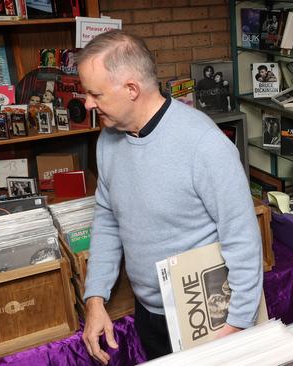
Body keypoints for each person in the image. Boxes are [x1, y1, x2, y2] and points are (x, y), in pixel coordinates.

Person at [76, 30, 262, 364]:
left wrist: (237, 324)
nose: (87, 103)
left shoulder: (205, 144)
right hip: (150, 314)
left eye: (95, 94)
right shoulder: (107, 139)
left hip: (212, 320)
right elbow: (107, 218)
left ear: (131, 89)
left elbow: (243, 238)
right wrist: (95, 298)